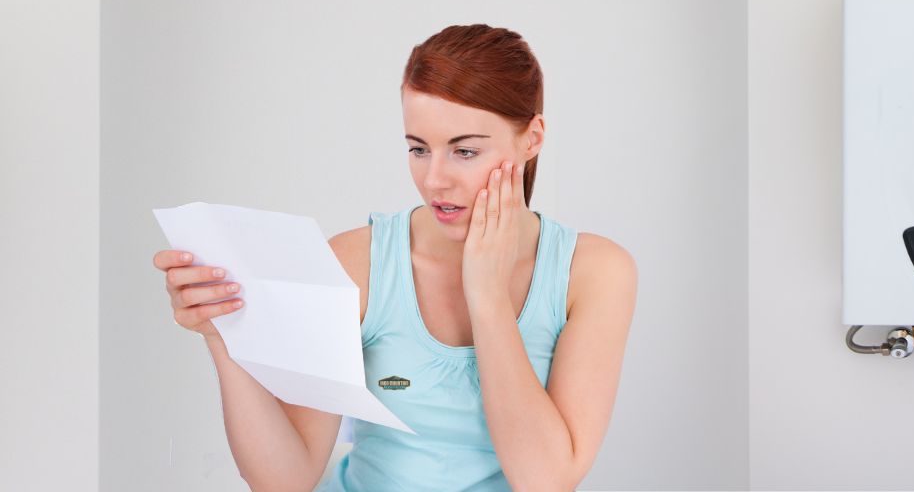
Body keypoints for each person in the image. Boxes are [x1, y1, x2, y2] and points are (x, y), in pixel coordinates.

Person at [152, 24, 638, 491]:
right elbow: (284, 481)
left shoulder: (593, 273)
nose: (435, 179)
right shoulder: (356, 263)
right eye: (419, 149)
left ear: (532, 138)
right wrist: (225, 337)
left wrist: (486, 292)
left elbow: (546, 482)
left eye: (465, 151)